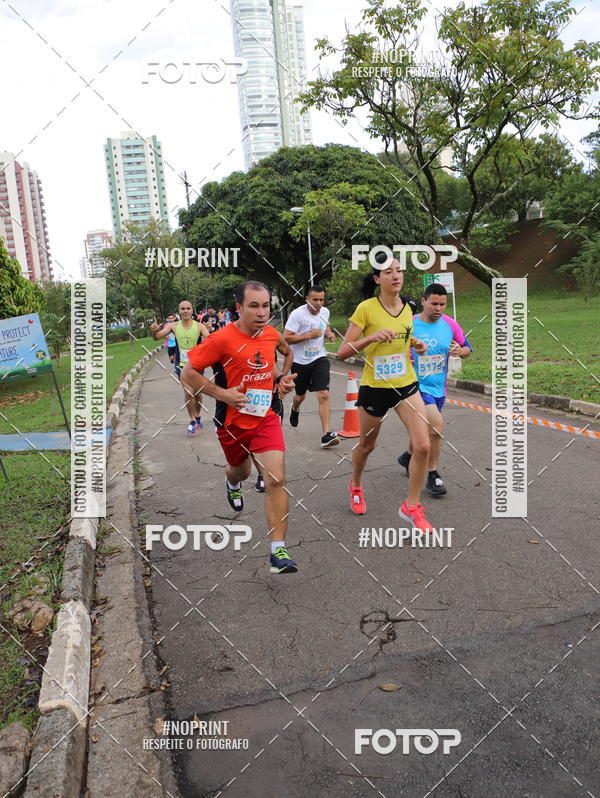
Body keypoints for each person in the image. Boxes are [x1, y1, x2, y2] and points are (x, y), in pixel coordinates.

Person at [181, 281, 299, 574]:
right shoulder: (221, 339)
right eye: (254, 306)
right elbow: (188, 373)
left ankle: (278, 551)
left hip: (266, 417)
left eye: (266, 306)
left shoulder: (271, 334)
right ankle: (232, 482)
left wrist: (281, 380)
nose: (262, 312)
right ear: (239, 308)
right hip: (232, 421)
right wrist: (223, 394)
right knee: (241, 470)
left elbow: (285, 353)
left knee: (276, 478)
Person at [338, 253, 434, 532]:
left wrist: (414, 343)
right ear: (377, 279)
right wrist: (369, 338)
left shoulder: (408, 307)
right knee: (367, 446)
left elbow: (403, 338)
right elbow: (343, 351)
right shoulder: (366, 309)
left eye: (399, 270)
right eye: (388, 271)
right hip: (375, 388)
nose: (396, 275)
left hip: (405, 383)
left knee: (423, 445)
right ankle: (356, 483)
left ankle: (411, 507)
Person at [397, 284, 472, 495]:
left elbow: (467, 348)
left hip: (439, 387)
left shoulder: (450, 325)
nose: (438, 308)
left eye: (442, 304)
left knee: (424, 429)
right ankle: (433, 474)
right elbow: (394, 350)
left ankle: (407, 456)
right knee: (436, 427)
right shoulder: (409, 324)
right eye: (434, 304)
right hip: (414, 386)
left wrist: (460, 350)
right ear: (423, 301)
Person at [283, 285, 338, 448]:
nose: (319, 303)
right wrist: (308, 335)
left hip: (319, 357)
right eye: (315, 299)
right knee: (300, 396)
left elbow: (325, 326)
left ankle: (326, 435)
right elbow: (285, 338)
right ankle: (295, 407)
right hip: (300, 362)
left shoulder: (325, 312)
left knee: (323, 394)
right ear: (307, 299)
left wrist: (328, 334)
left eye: (321, 299)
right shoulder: (297, 315)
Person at [150, 301, 210, 435]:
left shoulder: (199, 326)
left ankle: (198, 415)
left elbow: (211, 339)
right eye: (182, 309)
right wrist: (154, 331)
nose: (185, 311)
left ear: (192, 310)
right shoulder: (174, 326)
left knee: (198, 394)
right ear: (179, 311)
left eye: (188, 308)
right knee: (188, 392)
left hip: (197, 366)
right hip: (181, 366)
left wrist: (210, 330)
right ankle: (192, 421)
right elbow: (157, 337)